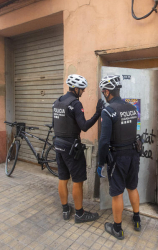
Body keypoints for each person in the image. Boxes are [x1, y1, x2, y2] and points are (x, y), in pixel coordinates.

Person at [53, 74, 104, 223]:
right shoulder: (75, 104)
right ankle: (80, 214)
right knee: (77, 180)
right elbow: (84, 126)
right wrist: (97, 113)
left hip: (58, 145)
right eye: (82, 89)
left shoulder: (57, 102)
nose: (83, 92)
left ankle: (65, 209)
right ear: (75, 88)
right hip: (71, 148)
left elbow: (54, 124)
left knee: (62, 178)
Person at [97, 75, 141, 240]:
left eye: (103, 92)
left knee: (117, 194)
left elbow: (103, 142)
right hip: (133, 154)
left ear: (107, 92)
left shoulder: (108, 111)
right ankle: (137, 220)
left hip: (118, 157)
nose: (103, 95)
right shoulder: (132, 107)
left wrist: (101, 163)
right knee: (132, 187)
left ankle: (117, 229)